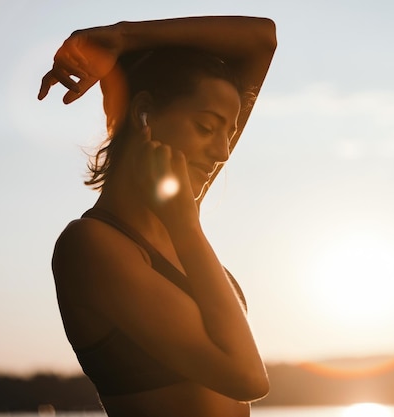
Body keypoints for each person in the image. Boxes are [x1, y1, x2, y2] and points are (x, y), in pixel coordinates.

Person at [38, 16, 277, 417]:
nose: (223, 152)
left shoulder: (182, 212)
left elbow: (261, 40)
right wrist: (187, 227)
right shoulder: (89, 245)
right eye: (206, 127)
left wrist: (121, 37)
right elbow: (248, 379)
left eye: (228, 131)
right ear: (145, 113)